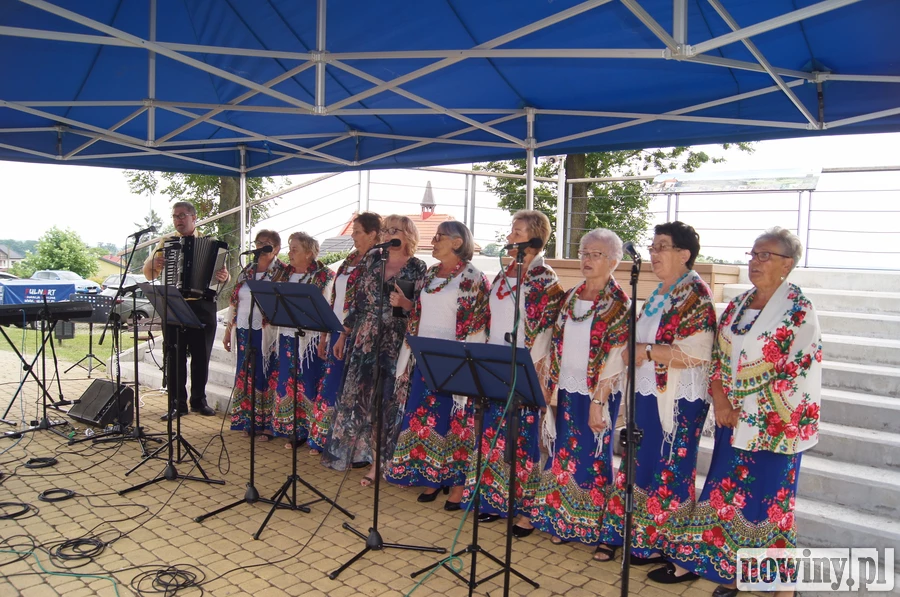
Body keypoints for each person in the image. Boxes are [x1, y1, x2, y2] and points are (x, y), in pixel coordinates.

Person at [651, 228, 822, 597]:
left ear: (787, 264)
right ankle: (732, 571)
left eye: (765, 255)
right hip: (732, 420)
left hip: (774, 426)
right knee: (729, 497)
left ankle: (782, 586)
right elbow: (717, 356)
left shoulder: (798, 309)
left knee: (769, 502)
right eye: (753, 254)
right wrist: (722, 402)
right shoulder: (739, 304)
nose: (754, 262)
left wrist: (747, 407)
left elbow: (796, 372)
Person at [597, 221, 717, 566]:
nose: (653, 253)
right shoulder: (660, 293)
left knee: (668, 468)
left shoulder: (696, 294)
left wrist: (647, 352)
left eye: (661, 247)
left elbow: (698, 352)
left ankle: (658, 542)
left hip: (678, 400)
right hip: (647, 392)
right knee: (638, 464)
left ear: (684, 254)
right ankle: (628, 533)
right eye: (652, 247)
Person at [462, 210, 564, 537]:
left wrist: (536, 372)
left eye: (516, 232)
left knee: (523, 437)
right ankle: (495, 499)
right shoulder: (506, 273)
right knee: (493, 433)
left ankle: (526, 508)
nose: (509, 237)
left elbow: (547, 331)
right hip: (494, 362)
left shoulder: (544, 278)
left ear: (533, 238)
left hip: (524, 366)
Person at [529, 228, 631, 555]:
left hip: (598, 393)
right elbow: (552, 340)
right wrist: (545, 381)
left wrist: (599, 401)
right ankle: (564, 520)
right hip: (568, 387)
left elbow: (615, 357)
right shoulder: (571, 296)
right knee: (564, 453)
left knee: (593, 457)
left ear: (613, 261)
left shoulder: (619, 303)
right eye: (584, 253)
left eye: (595, 254)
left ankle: (598, 527)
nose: (587, 259)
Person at [386, 221, 490, 511]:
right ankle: (432, 476)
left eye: (439, 237)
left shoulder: (473, 278)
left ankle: (457, 483)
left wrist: (466, 363)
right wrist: (406, 305)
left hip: (454, 360)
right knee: (426, 418)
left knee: (455, 422)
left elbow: (478, 324)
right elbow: (420, 312)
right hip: (425, 356)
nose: (433, 241)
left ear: (457, 243)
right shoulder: (431, 273)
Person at [321, 215, 427, 486]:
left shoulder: (418, 266)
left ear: (408, 235)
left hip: (395, 342)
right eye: (386, 230)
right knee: (360, 399)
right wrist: (344, 334)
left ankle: (381, 464)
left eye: (395, 230)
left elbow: (421, 309)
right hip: (364, 338)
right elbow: (358, 302)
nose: (389, 234)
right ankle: (364, 455)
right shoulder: (372, 260)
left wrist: (406, 304)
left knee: (386, 403)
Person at [142, 201, 229, 420]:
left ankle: (199, 401)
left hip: (203, 305)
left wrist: (224, 277)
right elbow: (148, 273)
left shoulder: (212, 244)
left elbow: (222, 278)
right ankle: (176, 404)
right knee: (174, 356)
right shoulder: (166, 242)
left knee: (201, 356)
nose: (178, 220)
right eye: (175, 216)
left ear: (193, 217)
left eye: (182, 215)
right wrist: (155, 263)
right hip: (175, 305)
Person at [310, 212, 380, 455]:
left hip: (357, 334)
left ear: (372, 234)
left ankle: (345, 445)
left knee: (350, 391)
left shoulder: (376, 262)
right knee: (331, 384)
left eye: (357, 232)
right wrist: (325, 335)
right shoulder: (349, 259)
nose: (353, 236)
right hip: (337, 330)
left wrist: (344, 333)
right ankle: (323, 438)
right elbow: (335, 299)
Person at [271, 232, 335, 448]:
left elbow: (327, 309)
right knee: (287, 382)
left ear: (308, 253)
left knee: (309, 381)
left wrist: (324, 339)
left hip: (311, 340)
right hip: (287, 335)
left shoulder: (324, 276)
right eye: (289, 249)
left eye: (294, 249)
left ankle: (312, 432)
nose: (289, 253)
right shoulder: (283, 274)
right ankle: (292, 429)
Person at [224, 230, 286, 440]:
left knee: (266, 375)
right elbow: (234, 302)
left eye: (266, 243)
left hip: (268, 333)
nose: (261, 247)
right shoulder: (247, 270)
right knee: (246, 375)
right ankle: (248, 421)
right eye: (258, 243)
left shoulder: (281, 272)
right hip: (243, 329)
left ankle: (268, 425)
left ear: (276, 248)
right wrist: (227, 331)